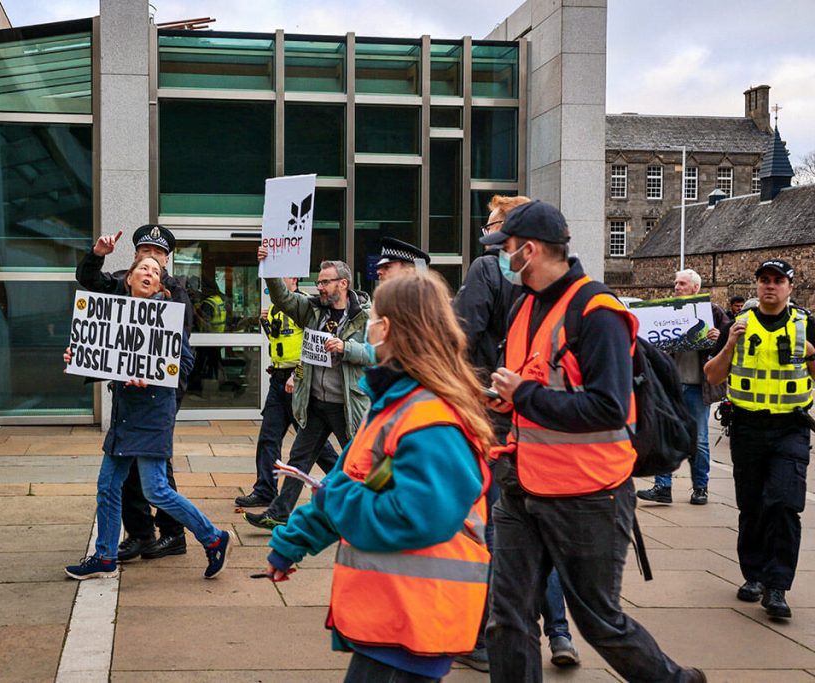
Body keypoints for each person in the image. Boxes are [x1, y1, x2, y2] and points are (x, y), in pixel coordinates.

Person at [481, 200, 705, 682]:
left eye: (505, 249)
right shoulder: (524, 306)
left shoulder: (597, 311)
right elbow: (534, 386)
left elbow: (607, 408)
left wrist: (526, 395)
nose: (500, 258)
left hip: (588, 495)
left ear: (530, 250)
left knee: (600, 622)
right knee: (507, 618)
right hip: (522, 488)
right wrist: (506, 400)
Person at [262, 271, 494, 682]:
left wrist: (339, 500)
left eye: (374, 317)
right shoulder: (395, 404)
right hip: (397, 616)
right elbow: (354, 480)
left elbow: (413, 513)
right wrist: (291, 544)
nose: (368, 324)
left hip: (418, 616)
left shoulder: (428, 416)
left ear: (384, 329)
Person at [453, 194, 580, 672]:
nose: (490, 241)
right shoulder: (554, 293)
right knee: (535, 528)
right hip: (544, 429)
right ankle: (560, 632)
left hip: (498, 415)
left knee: (500, 528)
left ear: (521, 242)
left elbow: (463, 335)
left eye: (496, 231)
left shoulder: (488, 271)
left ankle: (487, 637)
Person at [63, 255, 231, 581]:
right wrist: (79, 355)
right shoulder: (114, 314)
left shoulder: (167, 316)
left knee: (156, 490)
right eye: (143, 268)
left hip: (154, 411)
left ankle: (213, 537)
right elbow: (103, 357)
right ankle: (105, 556)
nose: (149, 273)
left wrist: (152, 376)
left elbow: (183, 363)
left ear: (158, 282)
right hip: (126, 413)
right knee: (108, 486)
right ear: (129, 278)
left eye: (155, 271)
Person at [704, 259, 815, 620]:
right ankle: (753, 575)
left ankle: (777, 585)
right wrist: (728, 346)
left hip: (791, 428)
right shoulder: (740, 325)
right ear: (757, 286)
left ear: (790, 287)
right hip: (748, 428)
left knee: (785, 505)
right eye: (764, 280)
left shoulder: (805, 325)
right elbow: (713, 375)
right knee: (752, 507)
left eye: (778, 281)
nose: (770, 286)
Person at [76, 224, 194, 562]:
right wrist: (97, 255)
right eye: (145, 252)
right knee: (127, 470)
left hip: (160, 392)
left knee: (157, 468)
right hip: (127, 391)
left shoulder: (175, 292)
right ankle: (140, 534)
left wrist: (159, 383)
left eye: (157, 254)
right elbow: (90, 281)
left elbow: (177, 351)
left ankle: (173, 533)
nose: (150, 258)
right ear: (136, 256)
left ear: (166, 260)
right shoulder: (121, 280)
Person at [245, 250, 371, 529]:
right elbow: (284, 299)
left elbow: (376, 354)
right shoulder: (313, 310)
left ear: (343, 283)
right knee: (298, 459)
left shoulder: (365, 317)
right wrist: (271, 267)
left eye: (325, 282)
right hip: (315, 403)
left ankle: (367, 512)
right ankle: (279, 513)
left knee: (357, 462)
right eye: (319, 282)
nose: (319, 287)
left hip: (347, 405)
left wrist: (346, 348)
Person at [235, 277, 337, 508]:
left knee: (314, 444)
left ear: (294, 278)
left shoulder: (304, 306)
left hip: (298, 381)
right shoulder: (274, 308)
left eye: (283, 275)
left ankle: (346, 482)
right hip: (279, 380)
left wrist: (297, 374)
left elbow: (313, 346)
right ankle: (264, 490)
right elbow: (279, 341)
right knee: (269, 438)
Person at [637, 269, 729, 506]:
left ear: (695, 288)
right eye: (676, 283)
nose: (677, 287)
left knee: (698, 439)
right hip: (672, 384)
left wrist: (719, 337)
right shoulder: (667, 311)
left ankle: (700, 488)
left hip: (698, 386)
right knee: (664, 432)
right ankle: (662, 486)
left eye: (682, 283)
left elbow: (730, 343)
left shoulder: (713, 312)